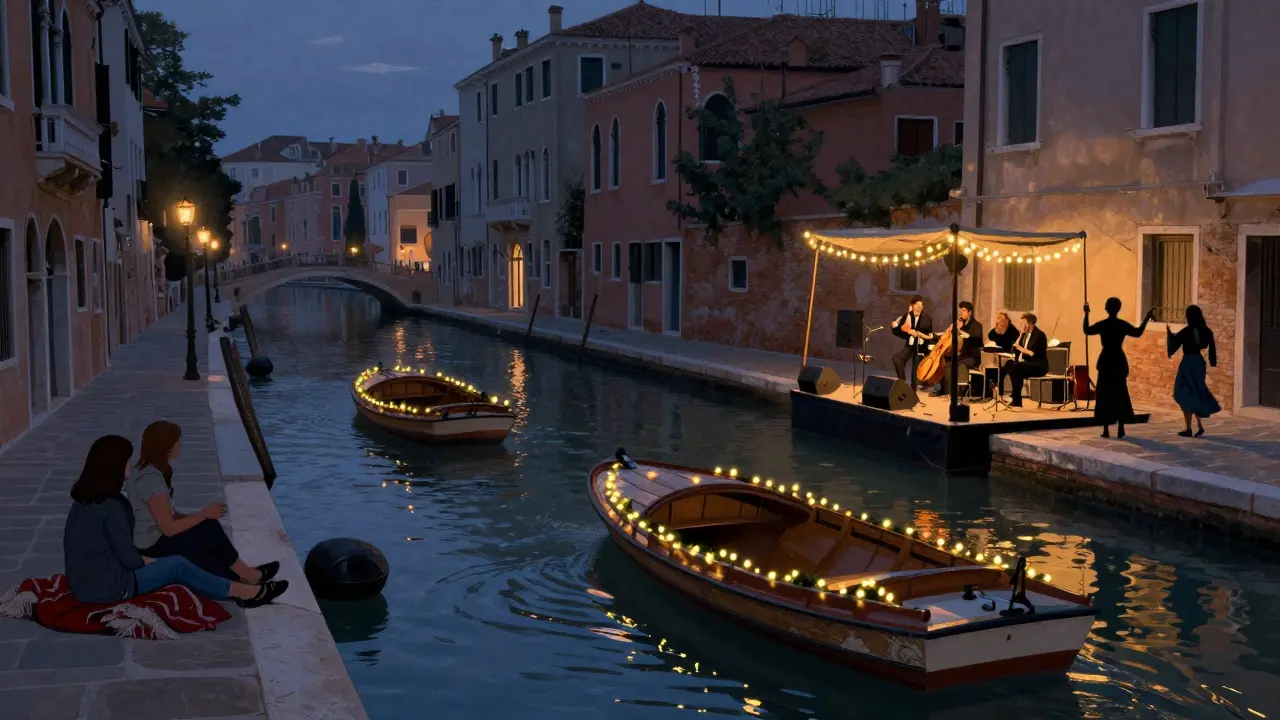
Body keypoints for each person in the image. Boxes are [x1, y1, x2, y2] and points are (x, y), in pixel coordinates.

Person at [64, 435, 287, 607]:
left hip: (86, 583)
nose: (130, 465)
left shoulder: (85, 500)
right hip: (109, 587)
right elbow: (127, 556)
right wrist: (143, 561)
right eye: (126, 461)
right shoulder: (112, 506)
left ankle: (243, 584)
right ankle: (247, 593)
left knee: (190, 550)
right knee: (177, 565)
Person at [126, 421, 279, 583]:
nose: (180, 446)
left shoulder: (147, 471)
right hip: (153, 546)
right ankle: (247, 577)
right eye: (178, 442)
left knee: (205, 528)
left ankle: (240, 576)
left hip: (152, 539)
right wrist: (204, 514)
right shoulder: (151, 480)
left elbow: (165, 513)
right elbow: (168, 529)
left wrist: (196, 519)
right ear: (168, 447)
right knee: (209, 530)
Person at [1084, 298, 1154, 439]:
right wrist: (1146, 318)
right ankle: (1121, 428)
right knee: (1120, 393)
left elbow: (1087, 330)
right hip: (1118, 361)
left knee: (1105, 395)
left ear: (1106, 308)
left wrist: (1086, 314)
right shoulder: (1121, 325)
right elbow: (1138, 332)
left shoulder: (1103, 324)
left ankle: (1106, 429)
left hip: (1106, 361)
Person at [1168, 304, 1220, 437]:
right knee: (1194, 392)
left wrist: (1168, 333)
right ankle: (1197, 427)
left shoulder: (1187, 331)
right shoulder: (1206, 331)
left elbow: (1174, 342)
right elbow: (1212, 347)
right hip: (1199, 363)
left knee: (1182, 393)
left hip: (1188, 363)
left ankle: (1188, 428)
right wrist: (1213, 362)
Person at [930, 301, 984, 398]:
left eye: (964, 311)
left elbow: (978, 341)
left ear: (970, 312)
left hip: (972, 357)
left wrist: (963, 334)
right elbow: (949, 334)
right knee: (944, 362)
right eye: (961, 311)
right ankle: (945, 390)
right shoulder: (961, 324)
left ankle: (954, 393)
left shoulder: (977, 325)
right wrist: (938, 335)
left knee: (953, 365)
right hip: (962, 356)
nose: (961, 313)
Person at [1000, 313, 1049, 408]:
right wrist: (1021, 335)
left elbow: (1033, 354)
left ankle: (1016, 399)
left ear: (1030, 323)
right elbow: (1015, 347)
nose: (1022, 326)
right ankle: (1001, 394)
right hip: (1026, 364)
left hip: (1039, 366)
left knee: (1016, 367)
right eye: (1021, 323)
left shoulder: (1039, 335)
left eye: (1023, 324)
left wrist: (1020, 348)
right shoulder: (1025, 334)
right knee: (1009, 364)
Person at [890, 295, 934, 386]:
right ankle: (903, 382)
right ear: (912, 306)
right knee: (897, 359)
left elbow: (927, 333)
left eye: (920, 306)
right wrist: (895, 327)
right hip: (910, 346)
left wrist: (914, 331)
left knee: (915, 367)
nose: (919, 308)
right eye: (917, 306)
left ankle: (915, 386)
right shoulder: (907, 316)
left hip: (921, 347)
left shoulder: (926, 318)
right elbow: (901, 332)